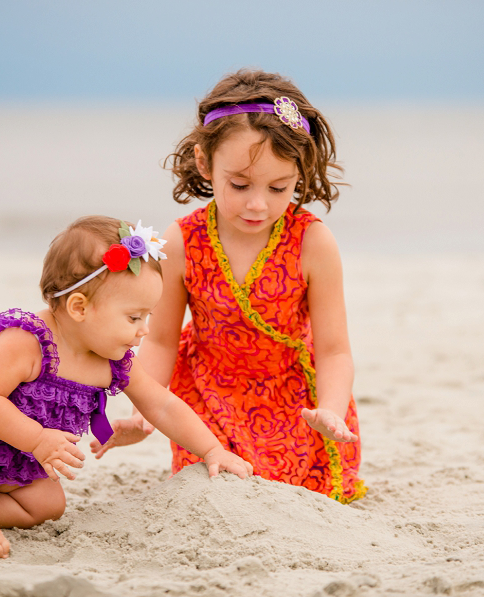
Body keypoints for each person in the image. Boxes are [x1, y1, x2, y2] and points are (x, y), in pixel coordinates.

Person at [0, 216, 254, 560]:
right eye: (134, 316)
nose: (145, 330)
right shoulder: (28, 341)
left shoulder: (110, 360)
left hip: (2, 457)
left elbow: (163, 405)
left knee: (47, 504)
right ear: (79, 307)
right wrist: (37, 440)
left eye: (148, 316)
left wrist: (212, 449)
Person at [91, 69, 366, 503]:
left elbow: (334, 349)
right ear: (205, 163)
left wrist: (330, 409)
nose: (258, 204)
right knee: (215, 486)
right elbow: (161, 341)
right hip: (207, 398)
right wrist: (144, 412)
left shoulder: (313, 242)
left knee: (298, 493)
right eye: (239, 184)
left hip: (296, 399)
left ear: (301, 172)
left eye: (279, 187)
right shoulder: (183, 241)